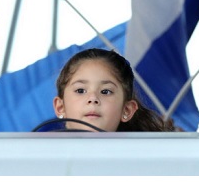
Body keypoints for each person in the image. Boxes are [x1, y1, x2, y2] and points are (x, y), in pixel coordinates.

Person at [49, 48, 177, 132]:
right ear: (60, 107)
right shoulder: (40, 155)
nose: (93, 98)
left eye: (105, 91)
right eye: (81, 91)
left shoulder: (148, 160)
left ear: (127, 110)